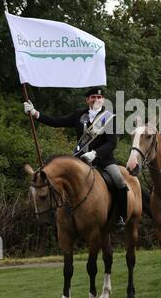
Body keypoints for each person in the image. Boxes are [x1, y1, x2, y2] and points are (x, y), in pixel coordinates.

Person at [23, 87, 128, 229]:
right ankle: (65, 217)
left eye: (99, 97)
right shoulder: (79, 115)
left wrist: (95, 153)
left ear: (103, 100)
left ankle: (122, 216)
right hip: (80, 162)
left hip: (104, 161)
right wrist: (35, 114)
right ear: (87, 100)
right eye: (93, 97)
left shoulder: (109, 118)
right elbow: (57, 121)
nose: (96, 99)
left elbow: (111, 143)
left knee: (120, 180)